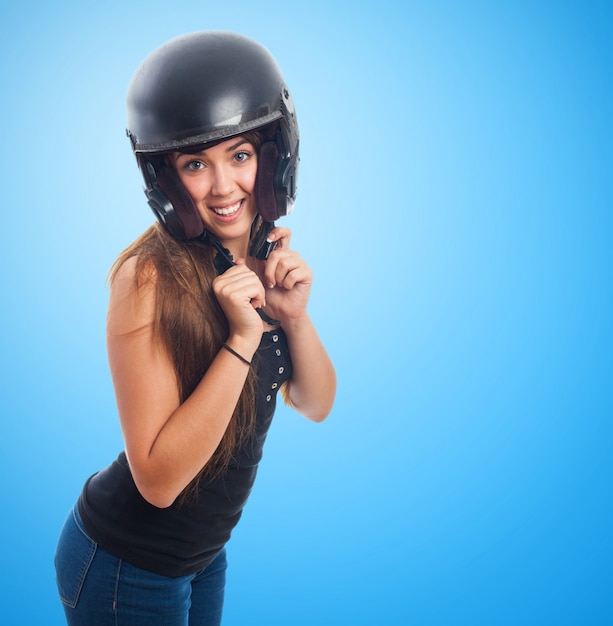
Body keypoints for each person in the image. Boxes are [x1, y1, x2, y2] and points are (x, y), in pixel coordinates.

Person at [54, 31, 336, 626]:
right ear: (167, 181)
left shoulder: (265, 261)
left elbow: (315, 402)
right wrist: (241, 338)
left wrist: (292, 316)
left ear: (272, 155)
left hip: (202, 555)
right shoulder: (148, 278)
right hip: (125, 561)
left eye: (238, 155)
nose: (222, 186)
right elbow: (157, 481)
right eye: (194, 165)